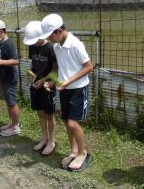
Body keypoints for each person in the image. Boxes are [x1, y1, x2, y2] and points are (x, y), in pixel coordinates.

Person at [40, 13, 93, 172]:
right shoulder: (57, 47)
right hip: (64, 89)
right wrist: (52, 81)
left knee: (72, 122)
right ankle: (74, 151)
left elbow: (89, 66)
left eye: (50, 35)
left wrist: (69, 81)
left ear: (58, 31)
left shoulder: (76, 44)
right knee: (65, 121)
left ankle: (83, 152)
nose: (48, 39)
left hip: (78, 89)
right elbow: (62, 68)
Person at [23, 21, 57, 156]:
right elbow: (33, 63)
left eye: (35, 40)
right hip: (35, 84)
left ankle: (52, 141)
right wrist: (30, 73)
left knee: (49, 114)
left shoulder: (50, 48)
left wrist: (43, 81)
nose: (33, 43)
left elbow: (55, 70)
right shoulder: (32, 46)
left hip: (48, 85)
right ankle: (44, 138)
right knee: (40, 112)